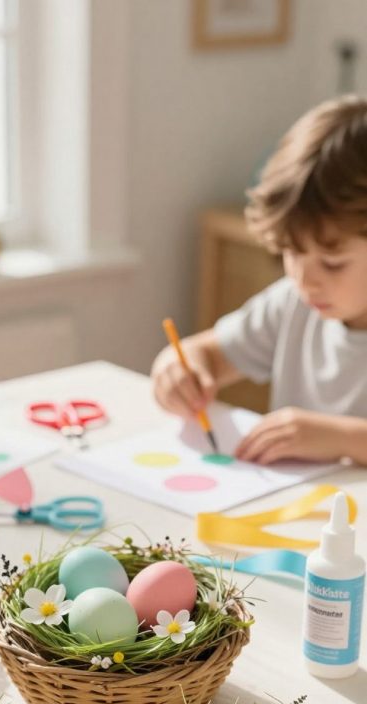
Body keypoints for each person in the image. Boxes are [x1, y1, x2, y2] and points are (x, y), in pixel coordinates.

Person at [151, 95, 367, 466]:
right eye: (291, 253)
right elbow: (206, 354)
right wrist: (177, 370)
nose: (305, 280)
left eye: (331, 263)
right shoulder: (294, 304)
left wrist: (342, 438)